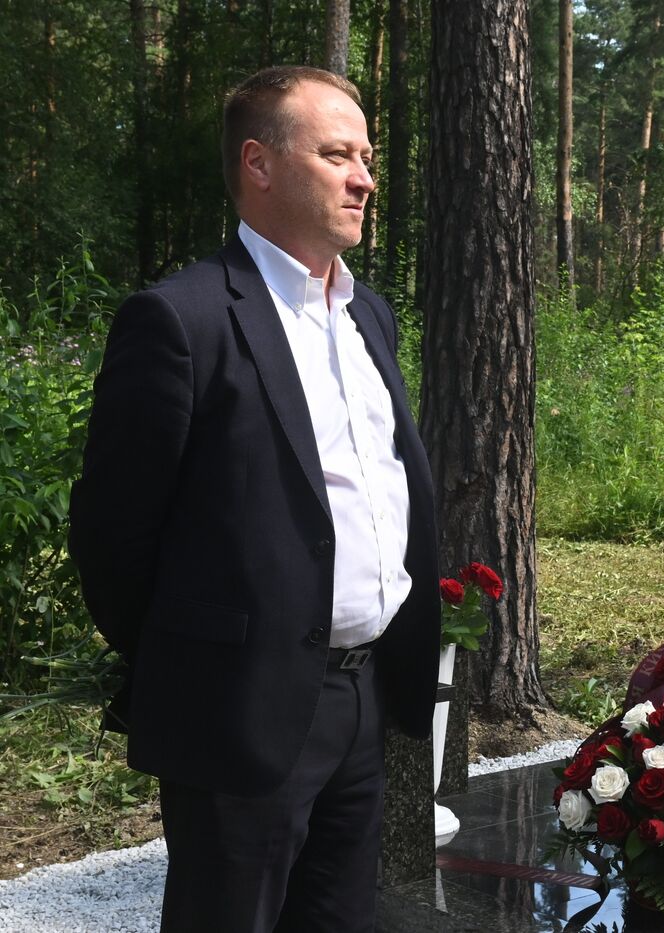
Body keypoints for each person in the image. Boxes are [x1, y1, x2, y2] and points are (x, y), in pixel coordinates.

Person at [68, 66, 440, 933]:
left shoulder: (369, 316)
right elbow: (114, 536)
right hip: (240, 707)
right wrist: (204, 657)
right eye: (337, 153)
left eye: (369, 157)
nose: (365, 177)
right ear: (259, 165)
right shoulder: (181, 319)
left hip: (364, 695)